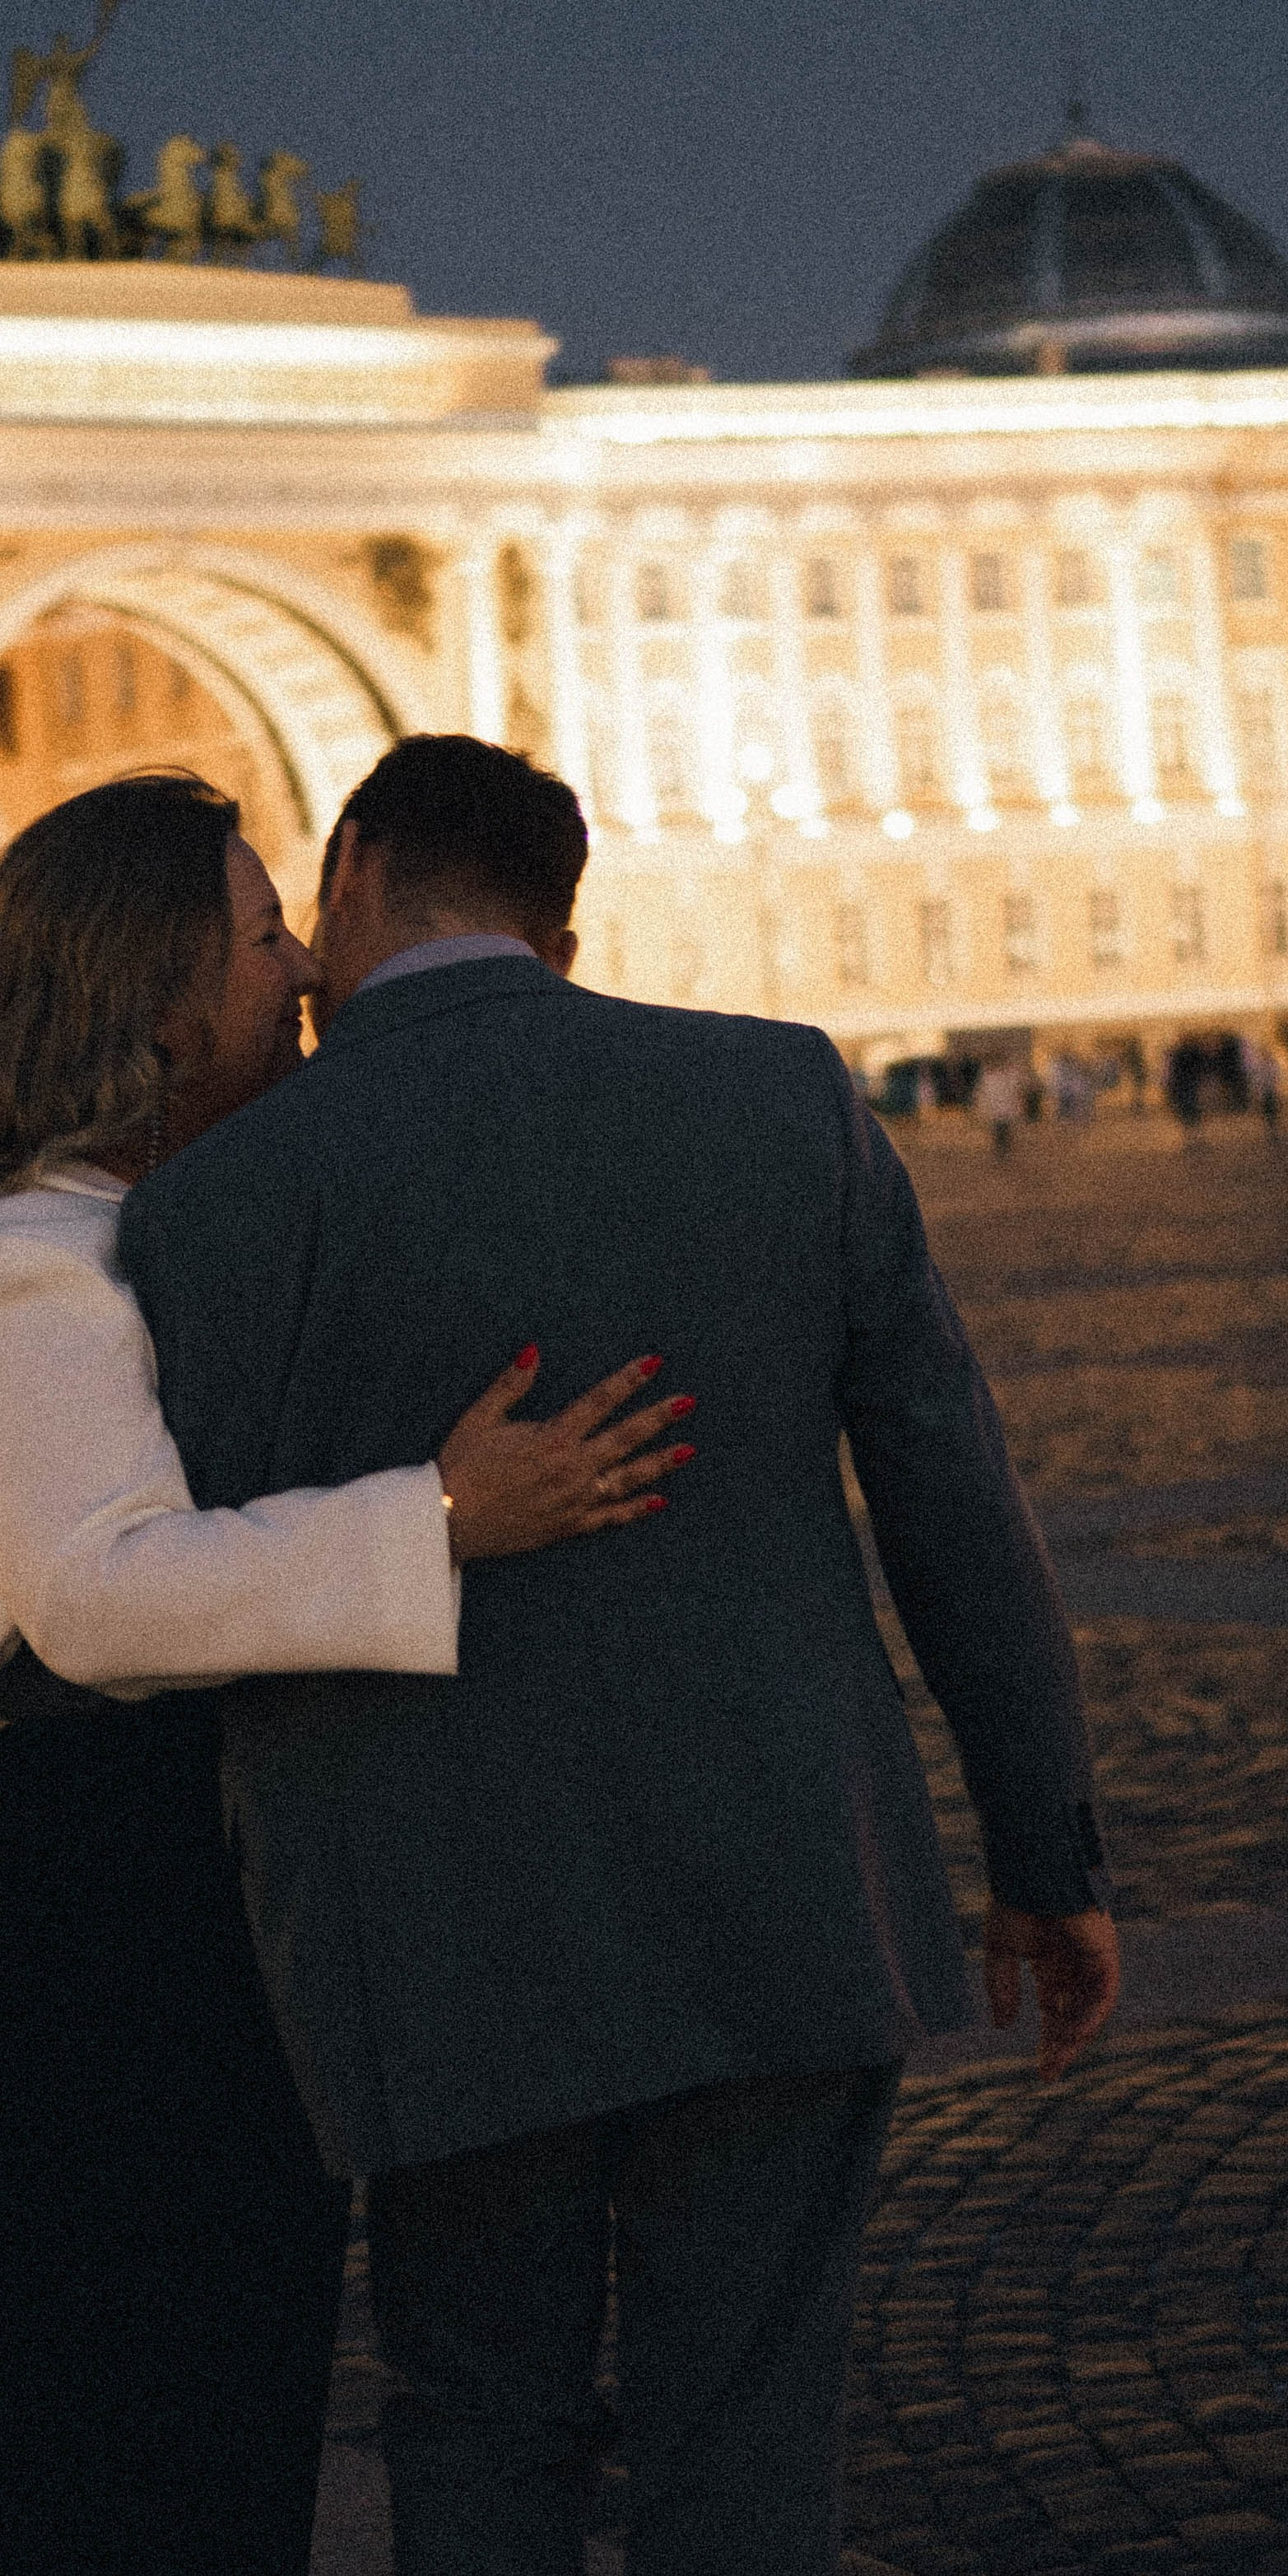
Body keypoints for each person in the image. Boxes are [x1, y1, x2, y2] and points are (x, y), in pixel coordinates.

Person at [118, 735, 1120, 2576]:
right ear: (562, 930)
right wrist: (1044, 1859)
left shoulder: (217, 1198)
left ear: (348, 874)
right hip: (779, 1884)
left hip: (426, 1924)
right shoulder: (780, 1096)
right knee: (744, 2441)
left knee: (478, 2421)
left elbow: (184, 1581)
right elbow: (950, 1490)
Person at [0, 775, 698, 2576]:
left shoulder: (118, 1238)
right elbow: (99, 1596)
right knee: (155, 2423)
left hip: (138, 1922)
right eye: (255, 932)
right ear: (159, 1007)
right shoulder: (44, 1272)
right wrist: (444, 1515)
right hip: (99, 1940)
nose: (301, 958)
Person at [974, 1054, 1025, 1159]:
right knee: (1000, 1128)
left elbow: (1016, 1088)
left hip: (1003, 1107)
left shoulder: (1003, 1075)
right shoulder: (990, 1076)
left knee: (1002, 1128)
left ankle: (1003, 1150)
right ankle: (1002, 1150)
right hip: (998, 1107)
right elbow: (984, 1092)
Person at [1165, 1032, 1204, 1138]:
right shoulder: (1192, 1053)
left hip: (1186, 1084)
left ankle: (1191, 1132)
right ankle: (1192, 1132)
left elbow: (1171, 1071)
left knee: (1188, 1107)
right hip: (1186, 1084)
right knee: (1188, 1107)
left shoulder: (1183, 1053)